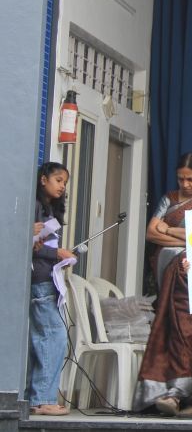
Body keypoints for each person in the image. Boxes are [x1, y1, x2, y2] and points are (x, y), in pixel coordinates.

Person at [133, 152, 192, 416]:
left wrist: (170, 230)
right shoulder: (169, 199)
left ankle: (177, 393)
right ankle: (190, 398)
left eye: (190, 179)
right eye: (181, 179)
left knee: (190, 333)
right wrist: (188, 238)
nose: (185, 184)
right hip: (167, 278)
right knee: (171, 333)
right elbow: (151, 232)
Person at [27, 162, 75, 416]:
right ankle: (43, 398)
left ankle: (33, 397)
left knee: (42, 337)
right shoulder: (33, 206)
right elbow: (30, 246)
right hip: (40, 281)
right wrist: (56, 253)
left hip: (48, 278)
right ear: (43, 179)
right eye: (58, 180)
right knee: (53, 335)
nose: (62, 186)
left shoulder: (48, 209)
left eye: (65, 182)